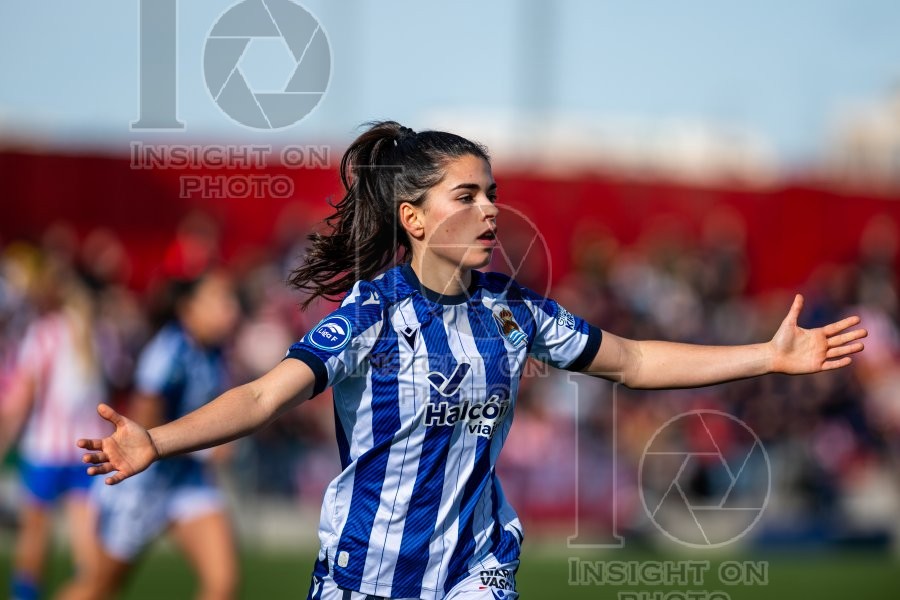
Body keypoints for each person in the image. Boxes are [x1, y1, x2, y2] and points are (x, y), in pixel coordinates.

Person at [77, 121, 867, 600]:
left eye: (492, 191)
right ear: (414, 218)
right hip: (365, 573)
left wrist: (766, 353)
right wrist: (156, 439)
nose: (491, 207)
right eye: (467, 195)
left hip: (475, 569)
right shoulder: (372, 315)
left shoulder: (513, 310)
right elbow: (259, 398)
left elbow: (629, 361)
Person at [65, 269, 241, 600]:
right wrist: (204, 449)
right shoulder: (168, 352)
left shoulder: (215, 351)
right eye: (220, 300)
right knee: (99, 587)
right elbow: (142, 422)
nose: (231, 309)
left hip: (187, 481)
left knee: (223, 583)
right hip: (144, 485)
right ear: (189, 308)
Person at [0, 258, 108, 600]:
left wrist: (3, 441)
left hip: (45, 451)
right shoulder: (100, 335)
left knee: (33, 546)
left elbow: (21, 399)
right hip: (88, 451)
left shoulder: (45, 333)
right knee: (89, 554)